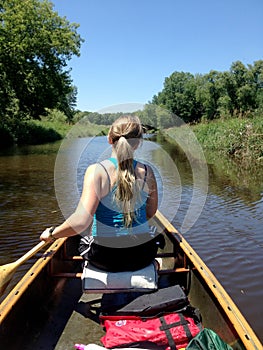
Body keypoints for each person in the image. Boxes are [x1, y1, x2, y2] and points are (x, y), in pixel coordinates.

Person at [40, 115, 165, 271]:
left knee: (84, 242)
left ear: (109, 139)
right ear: (138, 143)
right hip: (142, 255)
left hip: (105, 258)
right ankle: (154, 266)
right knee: (154, 236)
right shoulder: (147, 171)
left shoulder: (96, 171)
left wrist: (52, 233)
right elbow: (150, 213)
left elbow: (81, 222)